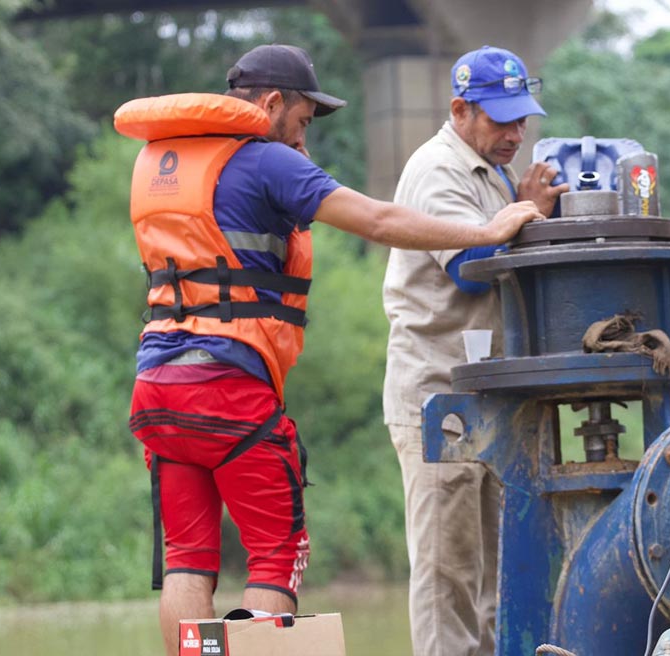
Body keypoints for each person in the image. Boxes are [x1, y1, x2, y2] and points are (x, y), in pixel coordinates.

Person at [115, 44, 544, 656]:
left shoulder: (163, 158)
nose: (302, 135)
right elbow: (377, 220)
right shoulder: (265, 159)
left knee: (189, 559)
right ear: (270, 104)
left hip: (157, 384)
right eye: (303, 120)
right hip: (229, 387)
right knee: (272, 555)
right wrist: (487, 231)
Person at [381, 45, 567, 656]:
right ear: (460, 109)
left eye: (521, 119)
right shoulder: (440, 169)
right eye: (500, 119)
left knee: (488, 581)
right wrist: (531, 211)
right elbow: (469, 267)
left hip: (484, 398)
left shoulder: (490, 173)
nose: (516, 132)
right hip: (441, 397)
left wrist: (533, 211)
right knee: (448, 579)